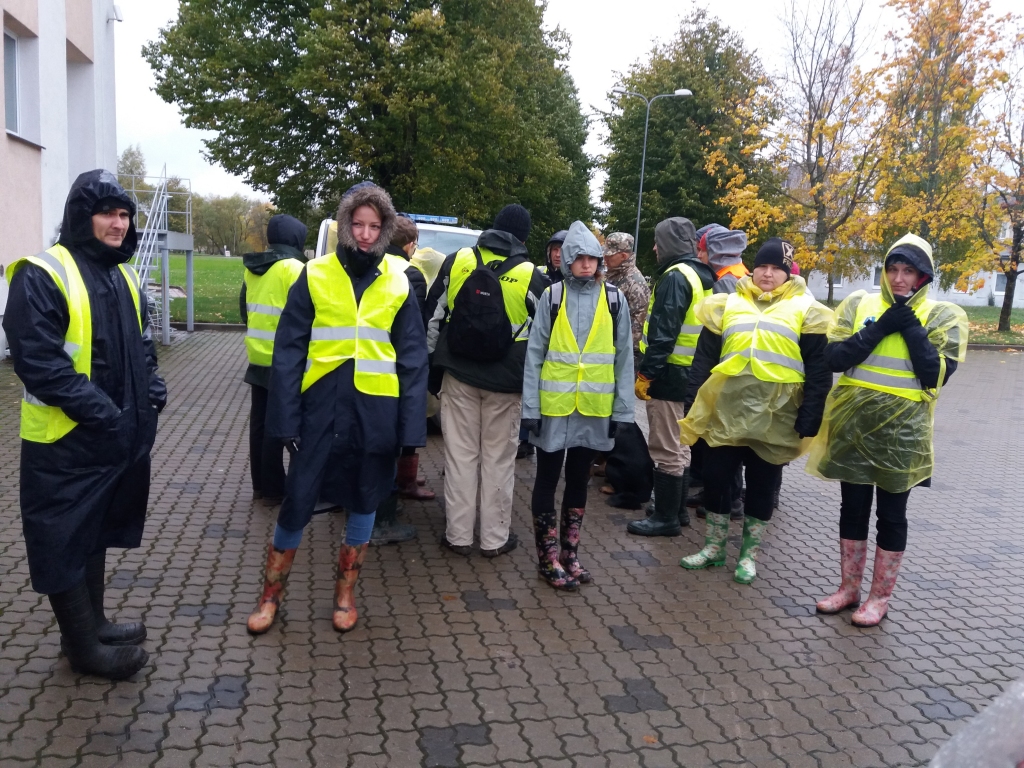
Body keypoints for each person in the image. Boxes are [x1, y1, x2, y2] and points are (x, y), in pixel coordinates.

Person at [3, 170, 166, 680]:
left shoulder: (123, 274)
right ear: (82, 216)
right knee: (62, 539)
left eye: (124, 215)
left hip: (113, 438)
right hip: (63, 440)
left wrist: (152, 389)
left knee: (92, 532)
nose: (118, 224)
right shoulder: (43, 273)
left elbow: (141, 343)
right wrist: (105, 413)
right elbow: (39, 362)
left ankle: (93, 624)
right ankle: (81, 649)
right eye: (107, 214)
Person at [247, 183, 428, 635]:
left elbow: (412, 358)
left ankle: (345, 595)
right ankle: (271, 595)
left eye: (374, 226)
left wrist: (410, 430)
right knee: (299, 498)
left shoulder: (398, 280)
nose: (365, 234)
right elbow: (288, 351)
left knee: (366, 498)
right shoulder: (315, 274)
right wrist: (285, 417)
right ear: (345, 225)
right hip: (321, 407)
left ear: (385, 229)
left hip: (376, 410)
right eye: (358, 224)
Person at [807, 234, 967, 626]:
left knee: (892, 516)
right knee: (852, 509)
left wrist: (908, 325)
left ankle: (879, 598)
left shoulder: (945, 316)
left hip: (903, 437)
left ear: (923, 276)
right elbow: (835, 357)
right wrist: (879, 327)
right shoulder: (860, 304)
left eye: (908, 271)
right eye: (893, 269)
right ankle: (849, 589)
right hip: (854, 428)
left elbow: (934, 374)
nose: (898, 278)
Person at [678, 238, 833, 584]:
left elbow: (819, 369)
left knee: (762, 485)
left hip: (777, 418)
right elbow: (704, 358)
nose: (767, 273)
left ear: (787, 273)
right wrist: (693, 400)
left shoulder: (806, 310)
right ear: (752, 268)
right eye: (762, 266)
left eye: (776, 268)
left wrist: (811, 413)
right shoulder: (727, 304)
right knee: (717, 480)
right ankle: (714, 548)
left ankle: (749, 554)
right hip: (726, 412)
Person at [424, 204, 550, 557]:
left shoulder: (458, 259)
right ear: (523, 237)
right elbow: (545, 336)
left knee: (460, 456)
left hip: (458, 373)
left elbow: (433, 317)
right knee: (497, 459)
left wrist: (434, 368)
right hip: (506, 382)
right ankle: (495, 539)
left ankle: (457, 536)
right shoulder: (530, 275)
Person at [521, 222, 635, 590]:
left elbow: (624, 359)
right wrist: (530, 408)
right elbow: (534, 355)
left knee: (578, 481)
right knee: (547, 479)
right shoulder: (552, 298)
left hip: (593, 407)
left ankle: (570, 553)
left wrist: (622, 411)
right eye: (579, 258)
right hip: (554, 407)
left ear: (600, 261)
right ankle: (548, 557)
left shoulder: (614, 299)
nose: (586, 265)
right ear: (567, 260)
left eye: (592, 258)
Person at [627, 217, 715, 537]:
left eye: (657, 241)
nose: (654, 247)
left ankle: (665, 517)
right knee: (681, 445)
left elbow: (664, 333)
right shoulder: (702, 275)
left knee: (665, 447)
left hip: (669, 374)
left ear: (669, 244)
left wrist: (646, 374)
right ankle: (677, 510)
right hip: (692, 374)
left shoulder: (675, 277)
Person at [240, 214, 309, 504]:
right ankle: (283, 490)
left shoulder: (254, 267)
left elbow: (244, 309)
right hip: (286, 361)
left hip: (257, 356)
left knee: (260, 425)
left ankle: (262, 486)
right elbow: (307, 314)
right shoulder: (296, 268)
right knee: (286, 425)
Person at [690, 223, 750, 521]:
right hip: (735, 370)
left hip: (727, 370)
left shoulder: (725, 282)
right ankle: (727, 496)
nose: (698, 255)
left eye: (701, 249)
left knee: (727, 439)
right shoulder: (741, 274)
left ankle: (732, 501)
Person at [602, 231, 650, 372]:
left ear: (623, 256)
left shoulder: (635, 283)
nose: (605, 257)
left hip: (624, 355)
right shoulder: (611, 275)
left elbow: (637, 328)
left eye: (610, 255)